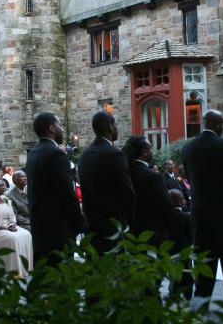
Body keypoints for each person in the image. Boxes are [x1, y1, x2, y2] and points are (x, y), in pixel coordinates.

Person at [182, 110, 223, 302]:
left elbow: (189, 177)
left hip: (201, 216)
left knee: (203, 270)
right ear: (217, 125)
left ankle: (199, 310)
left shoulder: (188, 148)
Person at [24, 112, 84, 264]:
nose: (62, 129)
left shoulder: (33, 153)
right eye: (59, 125)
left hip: (39, 228)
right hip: (57, 230)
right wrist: (80, 223)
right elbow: (67, 194)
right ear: (52, 128)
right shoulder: (55, 154)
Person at [77, 111, 135, 253]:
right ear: (110, 127)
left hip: (91, 227)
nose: (117, 128)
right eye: (115, 125)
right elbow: (127, 193)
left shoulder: (85, 155)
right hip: (113, 227)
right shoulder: (115, 154)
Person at [123, 135, 173, 247]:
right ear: (144, 152)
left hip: (130, 235)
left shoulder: (125, 173)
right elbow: (167, 207)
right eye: (150, 148)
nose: (152, 151)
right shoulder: (153, 177)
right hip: (153, 236)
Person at [0, 177, 34, 276]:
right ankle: (13, 270)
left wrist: (12, 224)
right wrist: (5, 227)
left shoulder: (5, 199)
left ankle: (26, 268)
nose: (4, 186)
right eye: (1, 185)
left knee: (27, 234)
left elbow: (12, 215)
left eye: (4, 184)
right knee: (13, 238)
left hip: (9, 227)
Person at [168, 188, 194, 299]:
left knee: (173, 273)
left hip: (170, 250)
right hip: (184, 249)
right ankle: (187, 294)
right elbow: (191, 234)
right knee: (186, 272)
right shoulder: (186, 217)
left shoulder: (166, 216)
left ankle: (174, 290)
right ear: (179, 201)